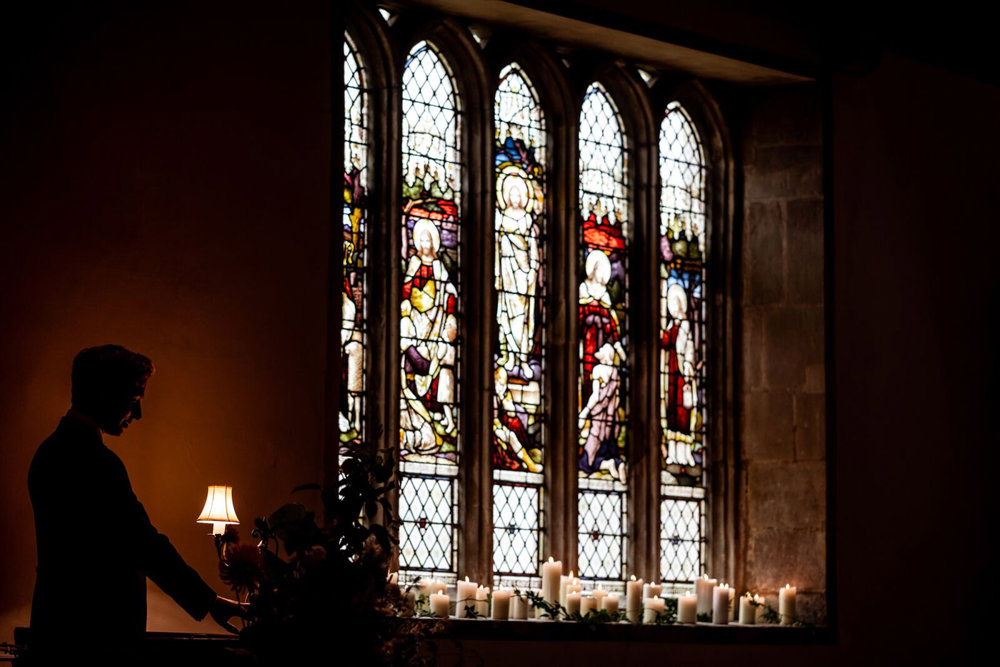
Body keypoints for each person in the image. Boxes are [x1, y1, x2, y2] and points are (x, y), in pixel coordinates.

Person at [27, 345, 245, 662]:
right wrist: (210, 601)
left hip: (57, 628)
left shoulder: (48, 452)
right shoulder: (97, 461)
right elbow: (144, 543)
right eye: (135, 398)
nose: (139, 414)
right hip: (95, 639)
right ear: (104, 392)